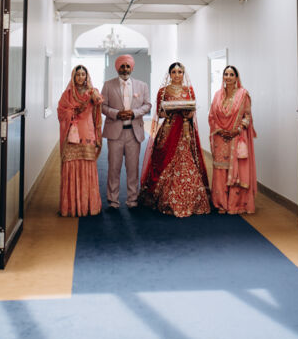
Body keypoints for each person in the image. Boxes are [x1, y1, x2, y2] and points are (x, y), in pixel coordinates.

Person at [139, 61, 210, 217]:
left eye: (180, 72)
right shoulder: (163, 91)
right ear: (169, 74)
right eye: (174, 72)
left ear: (183, 74)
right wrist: (169, 111)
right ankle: (166, 198)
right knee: (164, 158)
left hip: (185, 130)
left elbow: (193, 111)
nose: (177, 75)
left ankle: (190, 200)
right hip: (169, 129)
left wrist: (188, 113)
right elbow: (159, 113)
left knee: (187, 159)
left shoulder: (189, 90)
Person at [101, 55, 151, 210]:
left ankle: (132, 200)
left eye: (127, 66)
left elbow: (147, 105)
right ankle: (113, 201)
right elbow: (102, 106)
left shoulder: (142, 85)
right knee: (113, 168)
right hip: (115, 133)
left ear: (131, 68)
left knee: (133, 168)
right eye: (122, 66)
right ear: (117, 68)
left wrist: (134, 113)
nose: (125, 69)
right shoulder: (108, 85)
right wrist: (116, 114)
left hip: (134, 133)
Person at [209, 65, 257, 214]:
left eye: (231, 74)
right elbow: (212, 116)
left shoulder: (243, 94)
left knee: (236, 169)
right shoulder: (217, 95)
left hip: (236, 136)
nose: (228, 77)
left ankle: (235, 203)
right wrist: (220, 130)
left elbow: (247, 116)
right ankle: (221, 203)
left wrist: (237, 129)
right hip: (220, 137)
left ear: (236, 77)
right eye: (226, 74)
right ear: (223, 77)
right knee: (220, 169)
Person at [57, 65, 103, 217]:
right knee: (70, 165)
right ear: (73, 76)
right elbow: (61, 111)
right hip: (71, 135)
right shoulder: (67, 94)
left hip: (87, 133)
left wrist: (94, 95)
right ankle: (71, 207)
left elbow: (98, 105)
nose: (81, 77)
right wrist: (71, 112)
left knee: (87, 165)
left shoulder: (92, 91)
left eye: (83, 74)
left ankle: (88, 206)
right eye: (78, 74)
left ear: (87, 76)